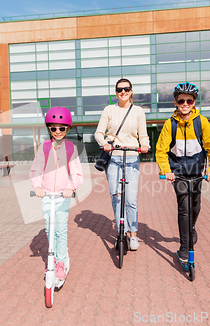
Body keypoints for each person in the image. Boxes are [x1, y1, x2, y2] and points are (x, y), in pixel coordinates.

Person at [155, 82, 210, 265]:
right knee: (184, 208)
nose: (185, 104)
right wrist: (166, 171)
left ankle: (191, 228)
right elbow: (161, 150)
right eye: (181, 100)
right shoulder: (170, 124)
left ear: (194, 103)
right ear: (175, 102)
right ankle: (184, 247)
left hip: (197, 170)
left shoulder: (202, 122)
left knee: (195, 206)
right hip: (178, 173)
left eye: (189, 101)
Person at [95, 78, 150, 251]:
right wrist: (103, 142)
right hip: (113, 158)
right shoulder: (109, 110)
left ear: (131, 91)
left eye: (126, 89)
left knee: (131, 199)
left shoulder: (138, 111)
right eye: (120, 89)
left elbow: (143, 135)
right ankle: (122, 232)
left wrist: (145, 145)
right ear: (116, 92)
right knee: (116, 196)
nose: (123, 92)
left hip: (132, 157)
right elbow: (99, 132)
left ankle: (133, 234)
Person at [29, 107, 83, 280]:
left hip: (62, 195)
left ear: (67, 128)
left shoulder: (71, 148)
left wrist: (71, 187)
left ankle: (60, 261)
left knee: (60, 228)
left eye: (61, 128)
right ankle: (53, 258)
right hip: (46, 195)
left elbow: (77, 172)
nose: (57, 131)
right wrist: (37, 186)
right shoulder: (44, 147)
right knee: (49, 229)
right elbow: (36, 169)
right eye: (54, 128)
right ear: (49, 129)